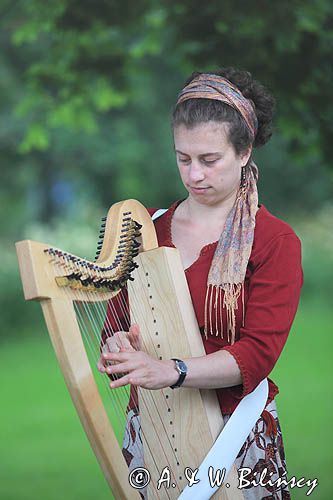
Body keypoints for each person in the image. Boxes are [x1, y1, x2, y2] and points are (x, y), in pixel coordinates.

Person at [98, 67, 303, 499]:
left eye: (210, 160)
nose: (194, 175)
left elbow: (256, 354)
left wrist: (169, 371)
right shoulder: (147, 230)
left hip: (237, 433)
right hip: (153, 426)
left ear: (244, 151)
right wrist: (118, 347)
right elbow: (114, 324)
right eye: (183, 158)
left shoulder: (274, 241)